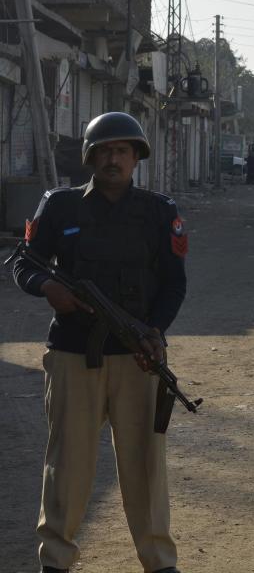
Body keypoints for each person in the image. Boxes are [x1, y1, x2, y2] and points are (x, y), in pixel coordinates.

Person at [11, 112, 187, 573]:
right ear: (91, 157)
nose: (114, 159)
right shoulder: (61, 206)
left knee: (145, 466)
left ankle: (160, 562)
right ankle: (56, 560)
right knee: (67, 465)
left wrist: (154, 332)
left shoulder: (159, 211)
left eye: (123, 151)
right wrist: (48, 288)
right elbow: (24, 262)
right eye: (105, 151)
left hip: (137, 357)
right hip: (73, 354)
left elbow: (174, 284)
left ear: (136, 159)